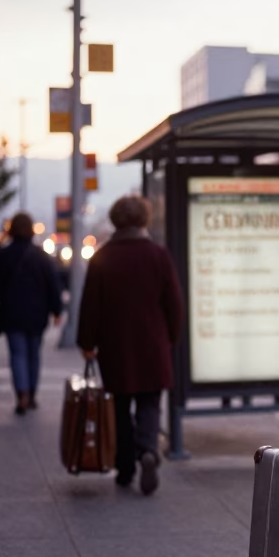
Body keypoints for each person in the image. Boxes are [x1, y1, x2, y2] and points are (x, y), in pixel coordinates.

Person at [77, 196, 183, 495]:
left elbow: (90, 306)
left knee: (120, 407)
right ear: (144, 220)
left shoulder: (102, 257)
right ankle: (148, 450)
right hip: (153, 344)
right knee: (149, 403)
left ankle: (125, 468)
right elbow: (174, 303)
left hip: (115, 346)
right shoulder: (158, 255)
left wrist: (87, 342)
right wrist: (171, 337)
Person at [0, 213, 64, 415]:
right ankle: (32, 393)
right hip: (37, 313)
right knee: (33, 354)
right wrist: (56, 310)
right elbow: (53, 285)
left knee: (17, 354)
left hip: (12, 312)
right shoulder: (41, 256)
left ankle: (22, 392)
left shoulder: (4, 255)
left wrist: (4, 295)